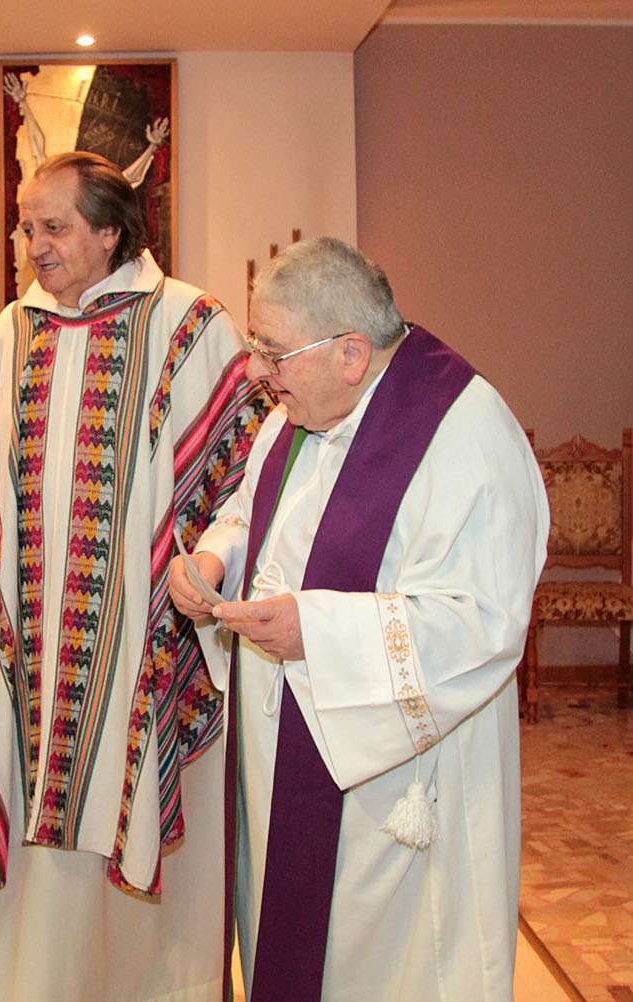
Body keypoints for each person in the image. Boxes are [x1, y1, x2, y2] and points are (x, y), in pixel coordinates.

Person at [0, 150, 270, 1002]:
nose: (34, 244)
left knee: (146, 857)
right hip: (29, 657)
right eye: (26, 227)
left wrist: (208, 560)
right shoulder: (12, 331)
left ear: (111, 231)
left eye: (54, 227)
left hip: (147, 642)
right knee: (37, 865)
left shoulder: (190, 326)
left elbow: (249, 470)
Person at [169, 237, 549, 1001]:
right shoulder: (298, 410)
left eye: (272, 351)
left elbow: (482, 622)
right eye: (255, 346)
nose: (255, 372)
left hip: (392, 785)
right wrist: (213, 558)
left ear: (351, 352)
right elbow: (252, 510)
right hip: (284, 760)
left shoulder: (464, 433)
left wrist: (315, 631)